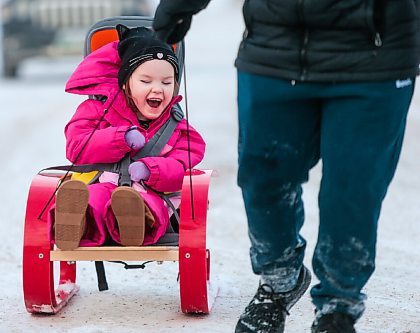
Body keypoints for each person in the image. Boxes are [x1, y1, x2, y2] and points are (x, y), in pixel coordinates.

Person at [152, 1, 419, 332]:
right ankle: (279, 280)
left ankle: (339, 305)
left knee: (353, 189)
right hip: (274, 47)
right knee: (263, 177)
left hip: (374, 54)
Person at [52, 24, 206, 250]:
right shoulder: (96, 110)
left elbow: (182, 166)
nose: (158, 89)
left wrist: (151, 169)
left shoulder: (177, 128)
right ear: (125, 84)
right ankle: (77, 222)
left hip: (150, 192)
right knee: (93, 198)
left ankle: (134, 224)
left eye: (166, 82)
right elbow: (76, 147)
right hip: (102, 182)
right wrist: (118, 138)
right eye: (146, 81)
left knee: (148, 204)